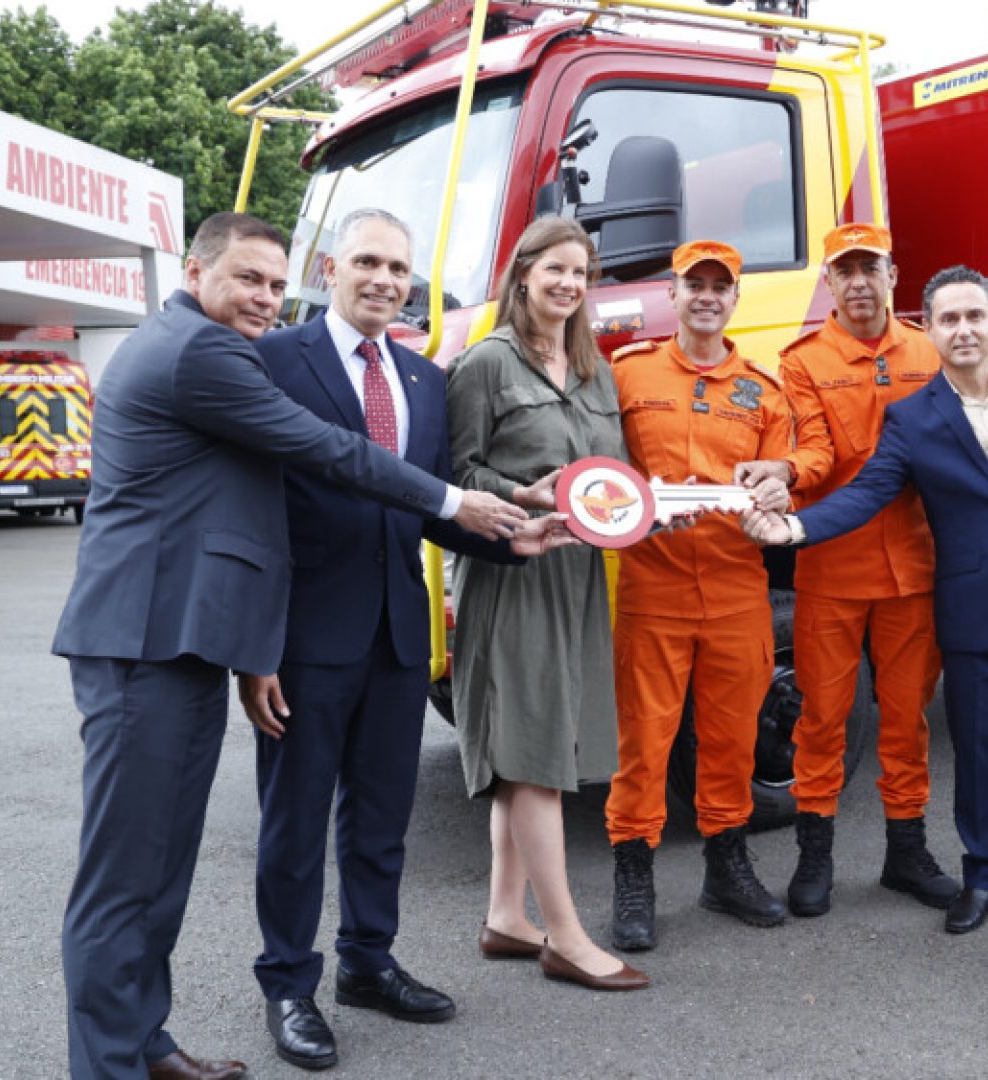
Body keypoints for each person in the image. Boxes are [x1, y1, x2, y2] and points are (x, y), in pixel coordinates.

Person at [52, 212, 534, 1080]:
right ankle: (112, 1064)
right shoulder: (205, 353)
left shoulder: (207, 343)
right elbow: (323, 451)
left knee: (158, 874)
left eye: (275, 284)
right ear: (196, 271)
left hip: (189, 642)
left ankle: (143, 1041)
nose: (266, 299)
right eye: (247, 279)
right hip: (145, 644)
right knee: (125, 882)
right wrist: (455, 504)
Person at [237, 210, 567, 1070]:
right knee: (295, 821)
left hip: (395, 636)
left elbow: (429, 506)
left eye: (401, 269)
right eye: (370, 263)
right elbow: (252, 509)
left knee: (381, 819)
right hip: (304, 640)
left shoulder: (425, 381)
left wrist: (511, 536)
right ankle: (288, 983)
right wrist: (255, 645)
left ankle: (368, 963)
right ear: (332, 266)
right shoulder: (274, 360)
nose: (386, 280)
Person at [744, 266, 988, 939]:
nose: (963, 330)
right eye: (948, 320)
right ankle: (984, 877)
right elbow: (868, 493)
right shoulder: (914, 417)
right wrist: (795, 528)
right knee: (978, 758)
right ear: (931, 329)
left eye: (973, 316)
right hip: (974, 610)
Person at [446, 216, 648, 991]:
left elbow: (616, 476)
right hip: (512, 568)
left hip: (577, 576)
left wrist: (650, 506)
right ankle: (565, 936)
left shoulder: (596, 370)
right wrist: (515, 494)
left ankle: (506, 917)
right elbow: (456, 477)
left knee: (542, 741)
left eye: (582, 274)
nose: (569, 284)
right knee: (531, 753)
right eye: (556, 269)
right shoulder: (485, 364)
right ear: (522, 271)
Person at [739, 223, 958, 919]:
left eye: (871, 268)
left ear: (893, 275)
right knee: (822, 718)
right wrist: (786, 475)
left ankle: (907, 852)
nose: (859, 282)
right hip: (833, 564)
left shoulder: (930, 350)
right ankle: (815, 856)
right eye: (845, 270)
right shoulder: (802, 360)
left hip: (915, 568)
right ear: (828, 283)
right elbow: (817, 449)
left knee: (907, 718)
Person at [603, 241, 811, 951]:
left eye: (721, 287)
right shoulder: (626, 374)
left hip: (736, 588)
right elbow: (599, 466)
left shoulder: (763, 386)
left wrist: (780, 482)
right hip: (653, 587)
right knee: (645, 744)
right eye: (696, 284)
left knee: (731, 741)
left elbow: (786, 471)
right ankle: (634, 875)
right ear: (673, 291)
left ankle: (727, 868)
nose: (707, 296)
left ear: (735, 299)